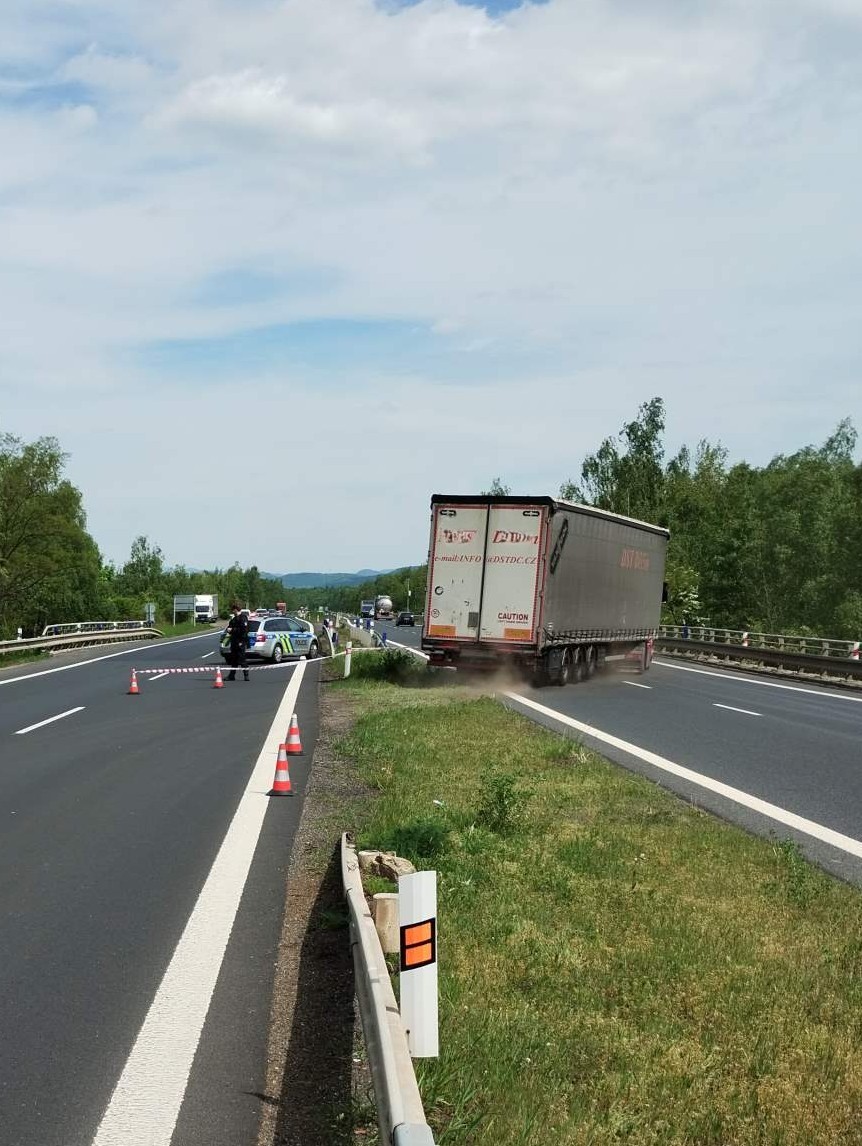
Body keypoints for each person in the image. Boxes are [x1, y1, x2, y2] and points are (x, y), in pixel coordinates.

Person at [225, 601, 250, 681]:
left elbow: (244, 630)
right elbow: (229, 627)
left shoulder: (243, 618)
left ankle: (246, 675)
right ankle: (231, 676)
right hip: (234, 642)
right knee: (234, 660)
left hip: (240, 641)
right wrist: (228, 629)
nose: (232, 611)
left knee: (242, 659)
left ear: (236, 609)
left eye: (233, 610)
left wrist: (233, 630)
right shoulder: (233, 619)